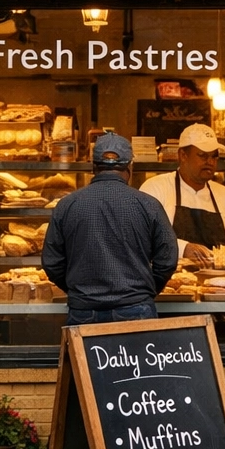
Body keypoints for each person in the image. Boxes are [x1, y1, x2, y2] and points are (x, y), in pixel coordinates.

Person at [44, 132, 178, 325]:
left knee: (86, 357)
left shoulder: (67, 205)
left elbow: (52, 262)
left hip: (84, 311)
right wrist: (144, 290)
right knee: (135, 356)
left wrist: (80, 290)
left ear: (93, 167)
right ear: (129, 166)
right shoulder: (148, 205)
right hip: (135, 308)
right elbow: (167, 259)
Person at [140, 123, 225, 265]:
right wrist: (183, 248)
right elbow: (143, 237)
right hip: (167, 281)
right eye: (203, 156)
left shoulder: (224, 194)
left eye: (214, 157)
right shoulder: (155, 188)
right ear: (183, 155)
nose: (210, 162)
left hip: (215, 282)